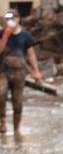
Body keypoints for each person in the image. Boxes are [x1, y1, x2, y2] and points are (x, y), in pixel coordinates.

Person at [0, 9, 43, 138]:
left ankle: (16, 129)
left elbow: (31, 54)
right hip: (2, 71)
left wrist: (36, 71)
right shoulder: (2, 33)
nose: (11, 20)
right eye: (8, 18)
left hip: (19, 72)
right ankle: (2, 122)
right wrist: (6, 35)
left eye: (13, 18)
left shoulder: (26, 35)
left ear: (19, 19)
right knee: (0, 96)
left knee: (17, 102)